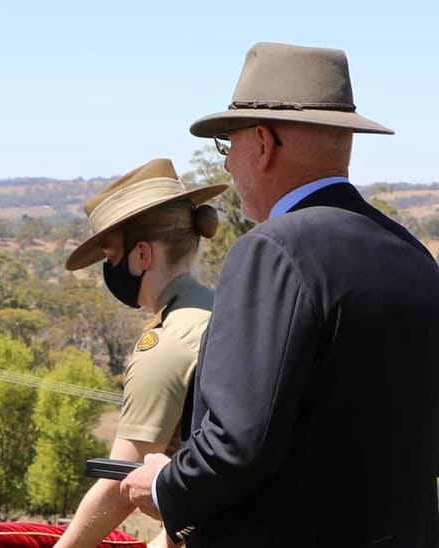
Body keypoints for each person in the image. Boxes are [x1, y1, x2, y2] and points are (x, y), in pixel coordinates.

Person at [121, 42, 439, 547]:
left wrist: (162, 484)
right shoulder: (412, 255)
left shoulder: (272, 249)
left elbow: (237, 446)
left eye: (230, 148)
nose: (227, 168)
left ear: (263, 143)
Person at [52, 158, 224, 548]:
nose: (109, 269)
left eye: (111, 257)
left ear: (142, 256)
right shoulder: (222, 308)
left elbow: (121, 483)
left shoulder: (167, 342)